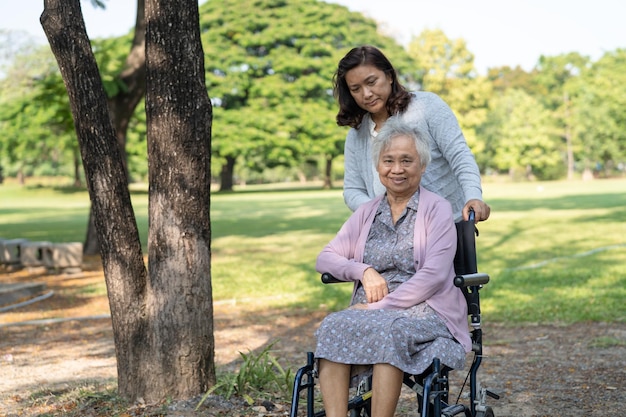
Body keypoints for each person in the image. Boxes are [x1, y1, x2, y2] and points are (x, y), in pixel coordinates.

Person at [314, 116, 470, 417]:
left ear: (422, 166)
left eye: (407, 161)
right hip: (370, 310)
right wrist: (363, 271)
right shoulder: (368, 211)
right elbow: (326, 256)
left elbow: (434, 276)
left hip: (426, 309)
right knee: (332, 325)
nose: (397, 169)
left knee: (389, 328)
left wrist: (379, 307)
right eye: (389, 160)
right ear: (378, 166)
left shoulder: (436, 209)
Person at [334, 44, 490, 223]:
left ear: (389, 76)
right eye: (356, 89)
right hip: (390, 237)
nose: (366, 94)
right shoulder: (356, 135)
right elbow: (352, 190)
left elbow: (460, 156)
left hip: (447, 227)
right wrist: (382, 213)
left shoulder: (428, 106)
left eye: (371, 82)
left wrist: (473, 196)